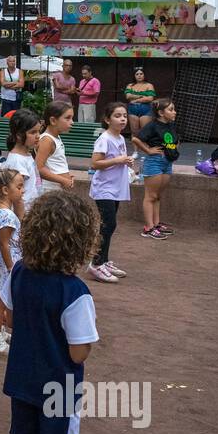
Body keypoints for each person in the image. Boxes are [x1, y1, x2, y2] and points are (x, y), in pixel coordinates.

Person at [1, 190, 100, 434]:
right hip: (59, 388)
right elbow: (79, 353)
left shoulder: (20, 272)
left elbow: (8, 319)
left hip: (22, 378)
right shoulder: (75, 292)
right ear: (82, 240)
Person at [88, 102, 133, 283]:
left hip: (116, 187)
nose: (122, 119)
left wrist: (125, 162)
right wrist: (118, 160)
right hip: (104, 188)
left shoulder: (121, 139)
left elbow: (117, 160)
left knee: (110, 225)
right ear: (107, 119)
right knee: (108, 224)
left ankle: (104, 261)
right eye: (117, 116)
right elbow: (95, 163)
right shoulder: (104, 139)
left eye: (124, 116)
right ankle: (96, 264)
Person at [0, 168, 24, 356]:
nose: (22, 190)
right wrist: (11, 267)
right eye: (19, 186)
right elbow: (5, 243)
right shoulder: (7, 216)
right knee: (1, 300)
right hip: (4, 262)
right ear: (5, 190)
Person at [132, 98, 179, 240]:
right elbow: (135, 139)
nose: (174, 112)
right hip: (154, 162)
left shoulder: (171, 125)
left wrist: (174, 150)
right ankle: (148, 228)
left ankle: (156, 224)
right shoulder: (152, 125)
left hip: (167, 162)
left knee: (157, 195)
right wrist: (148, 150)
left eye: (174, 109)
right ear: (160, 112)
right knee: (150, 196)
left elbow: (174, 140)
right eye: (170, 109)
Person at [0, 109, 44, 208]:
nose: (38, 136)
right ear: (19, 135)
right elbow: (18, 198)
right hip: (24, 213)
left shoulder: (26, 155)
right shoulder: (17, 161)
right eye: (33, 132)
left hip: (31, 211)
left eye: (39, 131)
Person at [36, 100, 76, 195]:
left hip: (57, 191)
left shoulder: (56, 137)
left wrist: (67, 176)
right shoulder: (47, 140)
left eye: (72, 118)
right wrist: (63, 180)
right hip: (50, 192)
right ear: (53, 120)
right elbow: (39, 168)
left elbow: (54, 163)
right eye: (67, 118)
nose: (72, 122)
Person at [124, 66, 156, 137]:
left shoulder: (149, 85)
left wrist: (136, 100)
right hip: (132, 109)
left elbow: (150, 98)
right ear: (134, 76)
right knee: (134, 132)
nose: (139, 76)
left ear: (144, 75)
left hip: (146, 109)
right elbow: (128, 96)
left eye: (141, 74)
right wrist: (141, 96)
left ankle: (144, 148)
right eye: (137, 74)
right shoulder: (130, 85)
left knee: (145, 131)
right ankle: (135, 148)